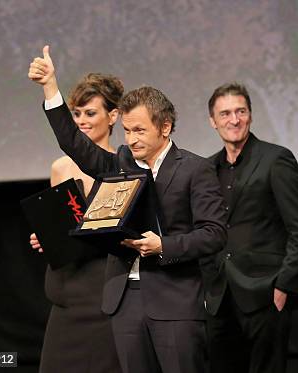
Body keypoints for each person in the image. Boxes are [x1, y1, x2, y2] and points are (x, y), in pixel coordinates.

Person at [28, 46, 227, 373]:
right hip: (124, 302)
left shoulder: (195, 169)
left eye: (140, 131)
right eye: (128, 131)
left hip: (174, 302)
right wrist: (51, 87)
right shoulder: (120, 163)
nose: (131, 139)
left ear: (164, 128)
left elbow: (214, 234)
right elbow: (74, 145)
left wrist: (164, 246)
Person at [201, 82, 298, 373]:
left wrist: (284, 285)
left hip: (265, 291)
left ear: (250, 115)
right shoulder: (206, 169)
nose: (233, 120)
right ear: (213, 121)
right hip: (220, 296)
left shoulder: (276, 159)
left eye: (240, 111)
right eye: (224, 114)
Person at [29, 72, 123, 372]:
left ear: (113, 116)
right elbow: (60, 227)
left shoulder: (123, 167)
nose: (82, 120)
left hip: (102, 291)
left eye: (90, 113)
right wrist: (45, 237)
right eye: (77, 113)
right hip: (67, 291)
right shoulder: (60, 167)